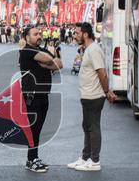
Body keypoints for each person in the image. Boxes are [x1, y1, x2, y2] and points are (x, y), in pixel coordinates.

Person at [68, 22, 115, 172]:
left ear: (85, 34)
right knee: (87, 126)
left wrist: (107, 91)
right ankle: (85, 157)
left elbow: (102, 72)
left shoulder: (94, 50)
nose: (75, 35)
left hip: (94, 96)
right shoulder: (88, 49)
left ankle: (95, 161)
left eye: (77, 33)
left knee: (93, 127)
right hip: (88, 95)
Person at [19, 25, 62, 173]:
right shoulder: (26, 52)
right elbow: (50, 59)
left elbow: (59, 64)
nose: (39, 36)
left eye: (39, 34)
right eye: (35, 34)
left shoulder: (40, 50)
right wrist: (49, 62)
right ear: (27, 37)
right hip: (32, 96)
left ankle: (34, 157)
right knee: (33, 129)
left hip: (43, 95)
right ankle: (31, 160)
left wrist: (45, 63)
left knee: (38, 130)